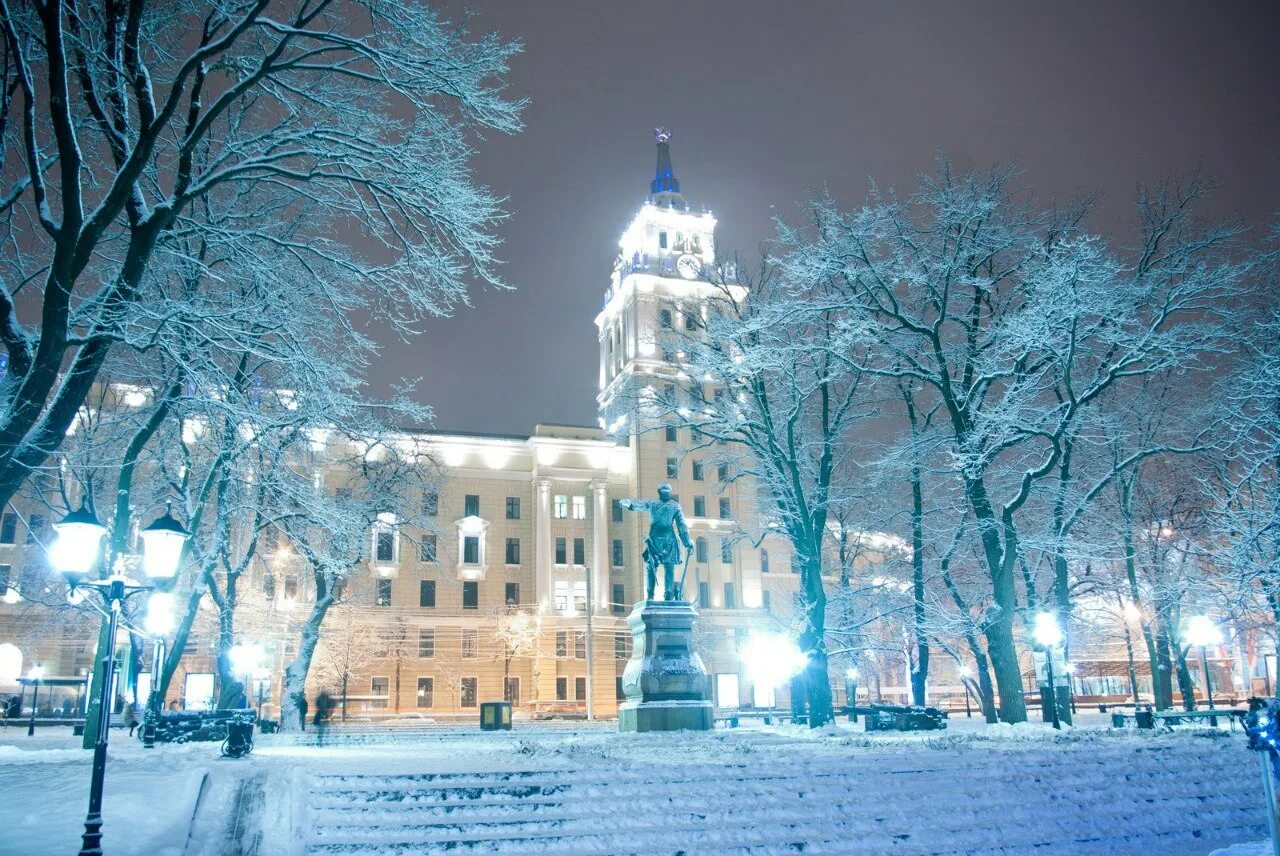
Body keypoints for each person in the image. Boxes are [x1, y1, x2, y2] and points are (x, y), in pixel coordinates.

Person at [619, 483, 693, 601]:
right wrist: (687, 542)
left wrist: (626, 502)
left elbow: (638, 504)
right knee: (659, 567)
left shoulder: (659, 504)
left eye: (666, 492)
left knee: (656, 567)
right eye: (664, 492)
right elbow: (681, 525)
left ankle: (657, 595)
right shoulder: (672, 505)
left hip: (659, 539)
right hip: (663, 540)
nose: (665, 494)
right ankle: (659, 595)